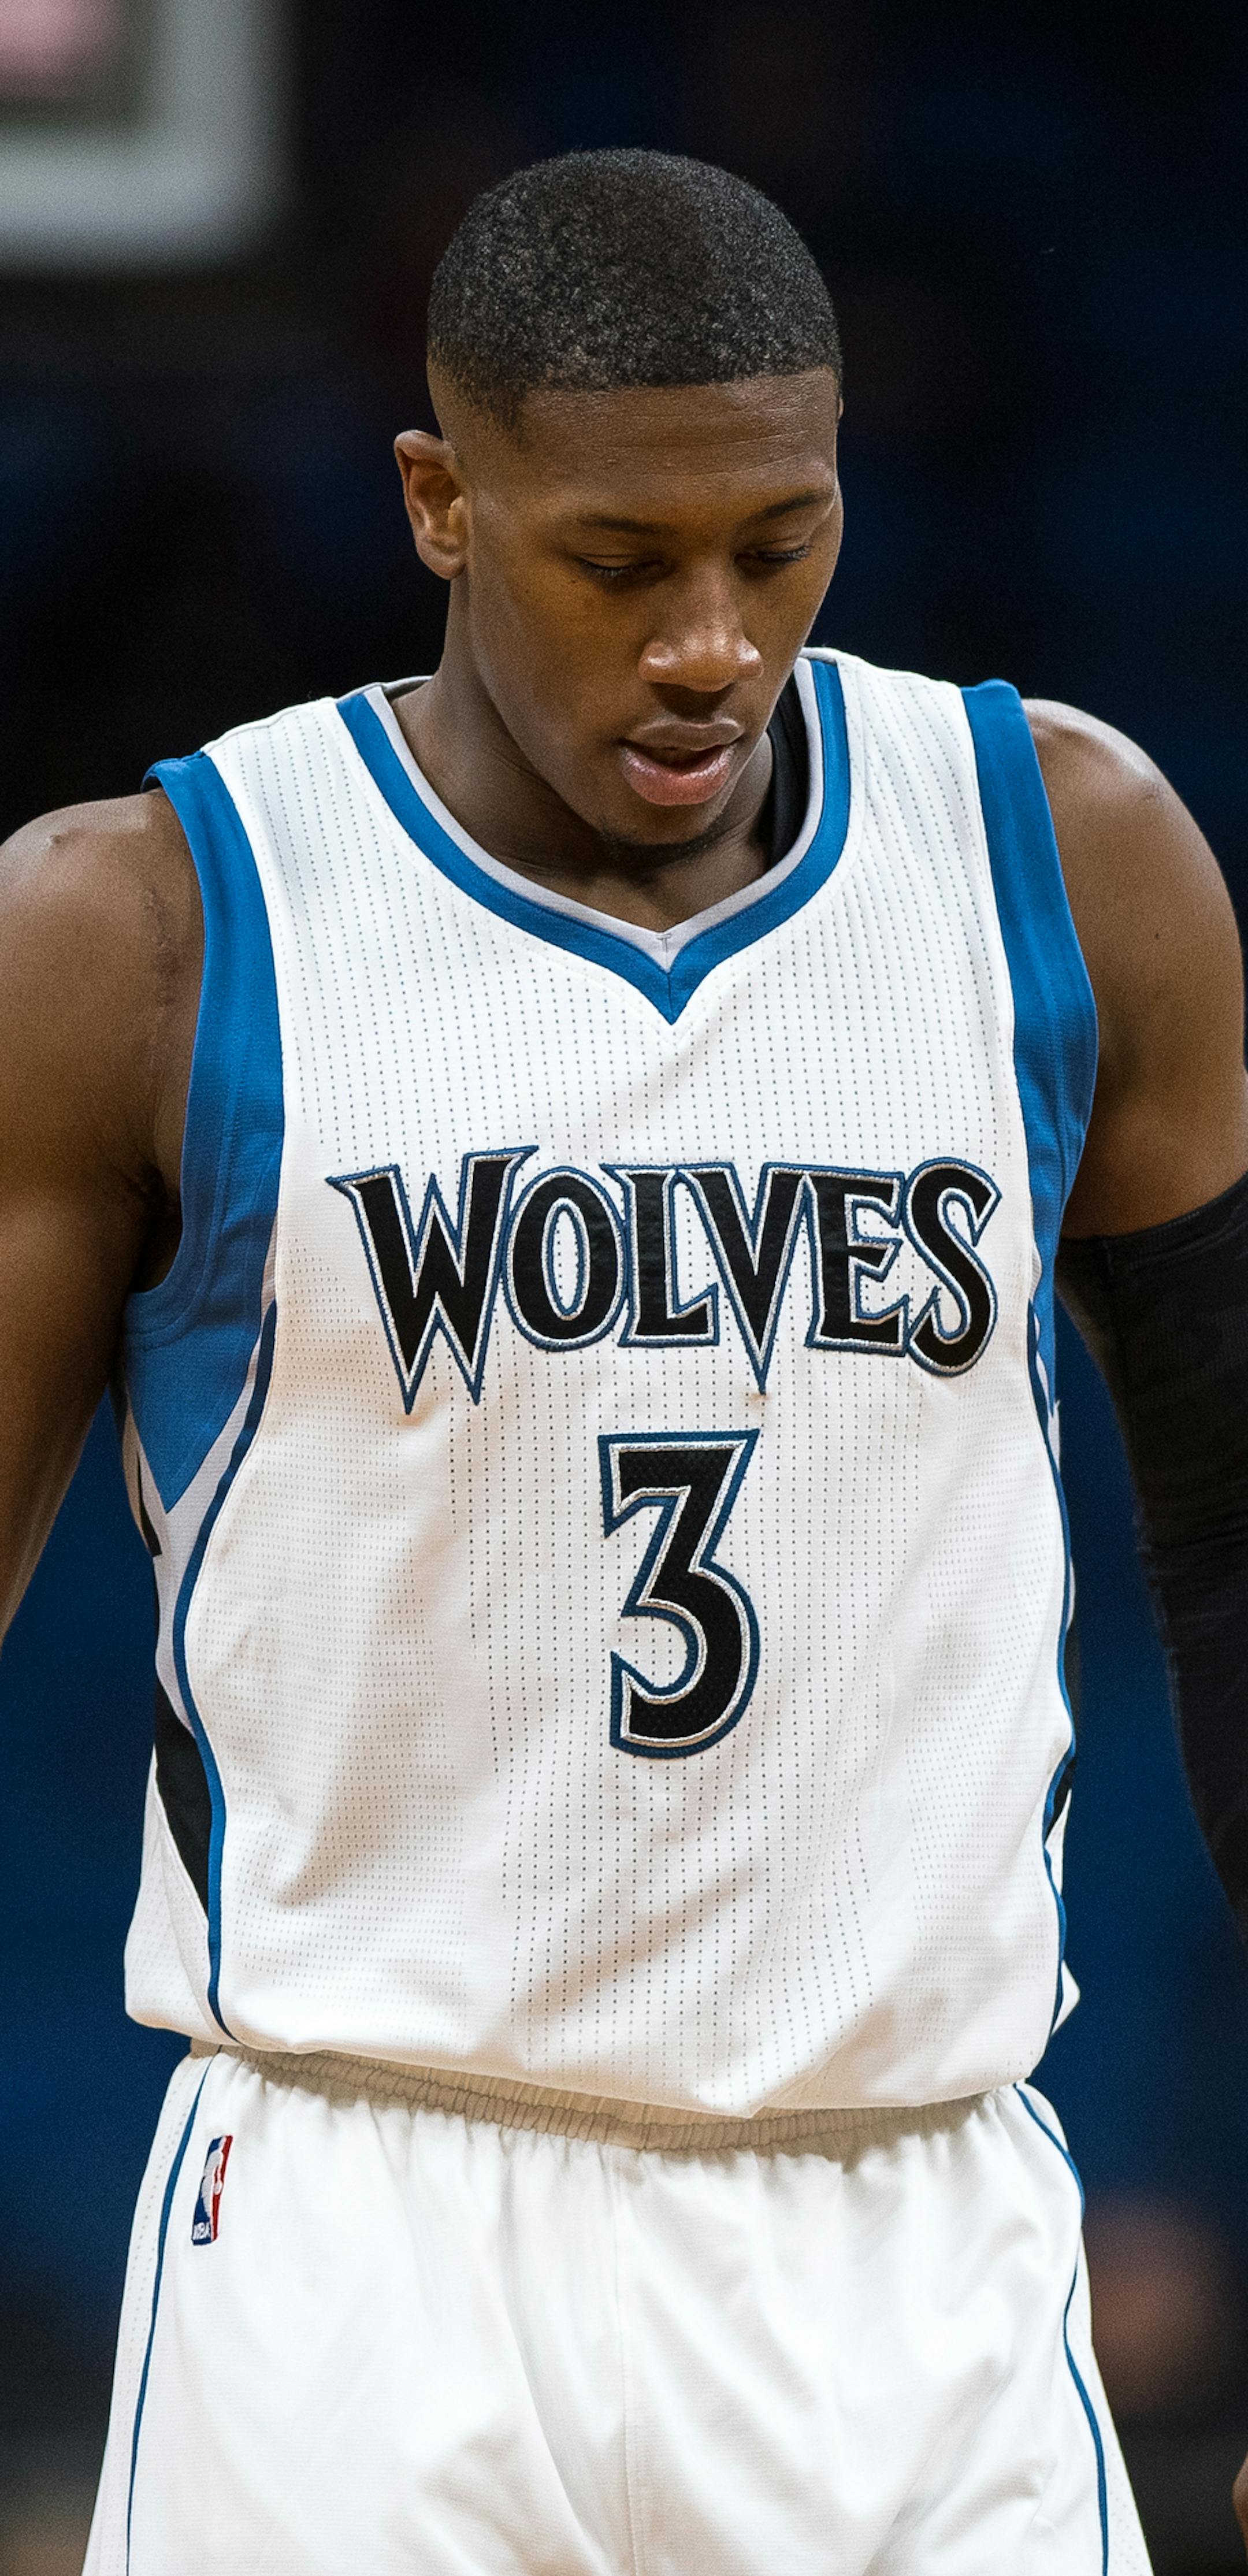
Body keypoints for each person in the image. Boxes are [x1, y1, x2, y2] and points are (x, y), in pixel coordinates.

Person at [2, 149, 1245, 2575]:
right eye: (619, 563)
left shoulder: (1059, 856)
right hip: (366, 2238)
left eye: (781, 546)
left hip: (916, 2232)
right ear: (443, 499)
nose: (711, 641)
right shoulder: (142, 930)